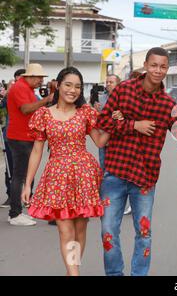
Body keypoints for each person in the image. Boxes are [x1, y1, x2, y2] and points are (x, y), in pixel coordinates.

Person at [97, 47, 177, 276]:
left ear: (167, 69)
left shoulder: (167, 105)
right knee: (108, 230)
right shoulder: (123, 90)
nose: (158, 70)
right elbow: (103, 121)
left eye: (162, 67)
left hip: (145, 179)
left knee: (144, 233)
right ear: (146, 65)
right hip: (115, 173)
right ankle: (114, 274)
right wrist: (133, 125)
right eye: (153, 65)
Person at [21, 66, 116, 276]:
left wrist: (113, 125)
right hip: (57, 178)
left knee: (80, 230)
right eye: (68, 85)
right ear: (58, 85)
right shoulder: (43, 114)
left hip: (84, 176)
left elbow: (99, 142)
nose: (73, 90)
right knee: (65, 229)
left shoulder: (85, 113)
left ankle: (73, 269)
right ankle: (74, 274)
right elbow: (37, 151)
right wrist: (28, 183)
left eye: (77, 87)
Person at [6, 64, 54, 226]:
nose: (41, 81)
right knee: (19, 176)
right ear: (30, 76)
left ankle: (17, 211)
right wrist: (47, 99)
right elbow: (26, 109)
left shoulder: (26, 89)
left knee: (23, 176)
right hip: (20, 137)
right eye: (39, 77)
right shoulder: (20, 87)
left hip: (25, 136)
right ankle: (14, 214)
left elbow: (37, 110)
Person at [0, 70, 24, 209]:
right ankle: (11, 196)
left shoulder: (32, 95)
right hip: (9, 135)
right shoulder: (9, 95)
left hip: (26, 136)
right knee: (10, 167)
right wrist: (7, 91)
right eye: (17, 81)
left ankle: (27, 195)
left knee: (24, 168)